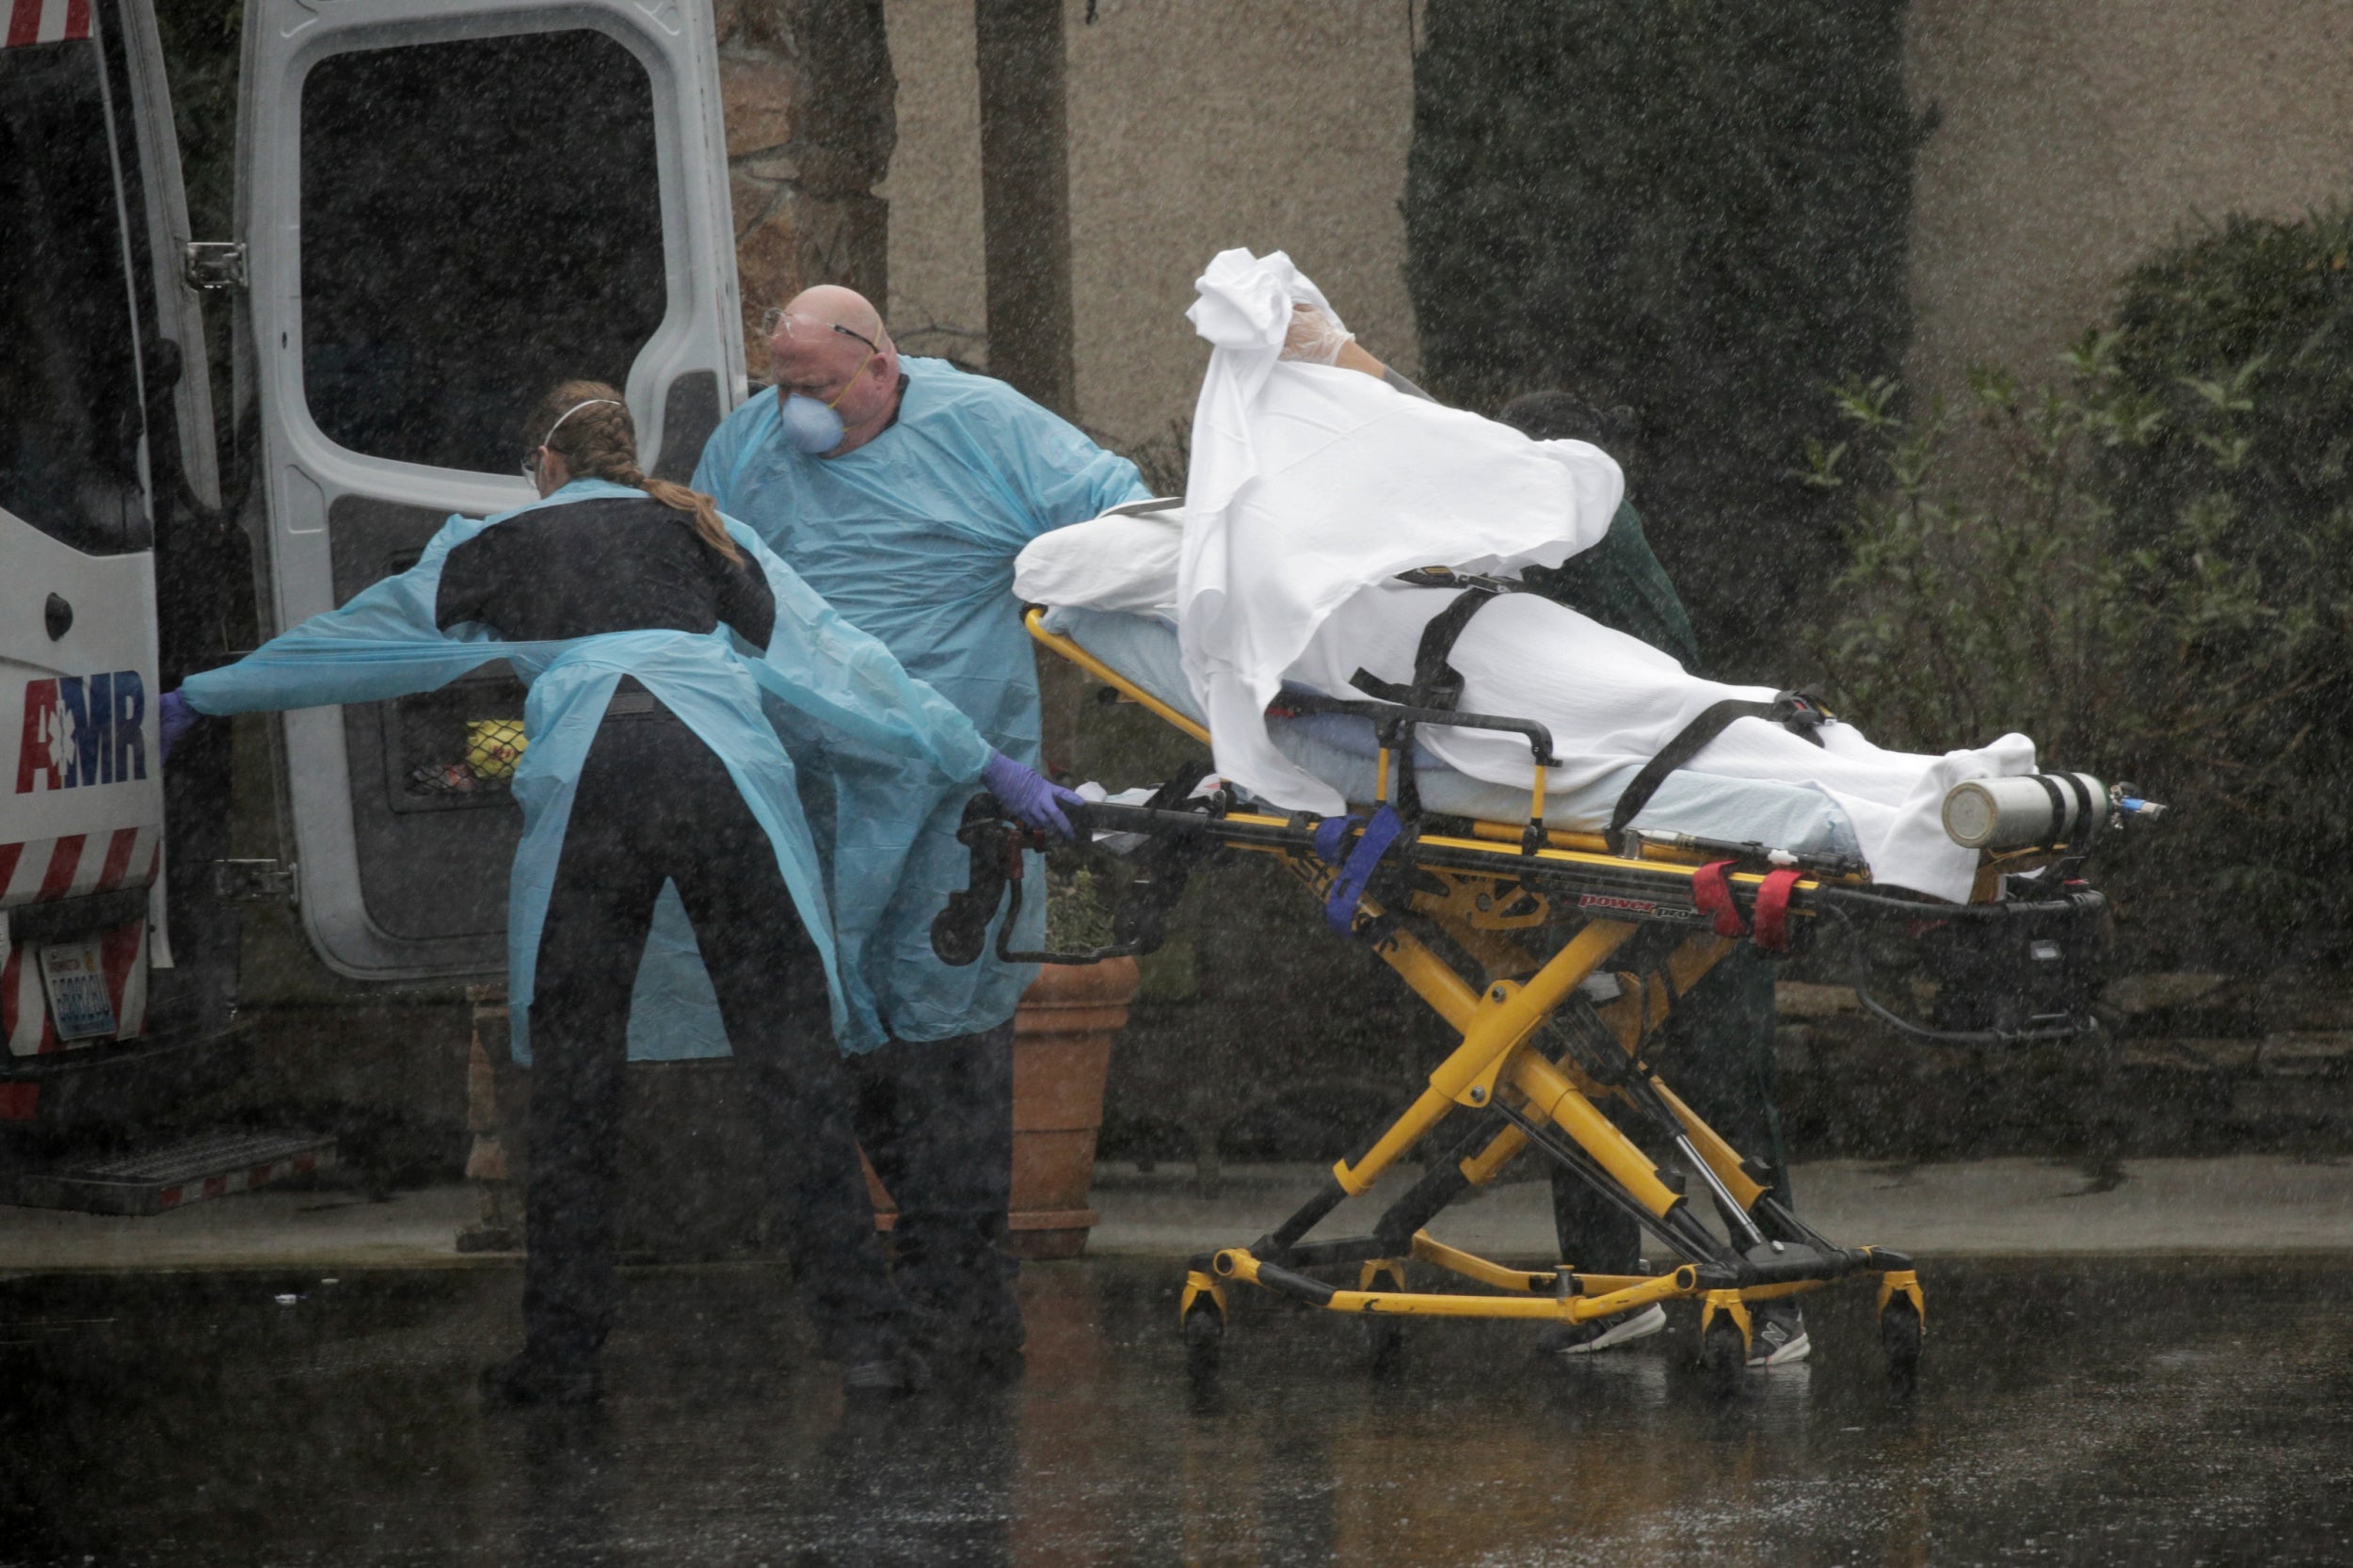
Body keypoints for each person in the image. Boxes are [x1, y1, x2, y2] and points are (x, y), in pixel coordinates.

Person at [160, 383, 1080, 1405]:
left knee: (574, 1086)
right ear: (621, 455)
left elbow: (357, 642)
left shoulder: (502, 542)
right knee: (795, 1076)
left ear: (544, 465)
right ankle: (863, 1343)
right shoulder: (700, 532)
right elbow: (846, 665)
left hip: (599, 783)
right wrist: (986, 759)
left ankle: (561, 1356)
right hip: (723, 781)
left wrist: (207, 693)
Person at [1281, 303, 1810, 1367]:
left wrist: (1348, 363)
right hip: (1664, 827)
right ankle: (1662, 1290)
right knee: (1598, 1052)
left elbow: (1454, 459)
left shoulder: (1574, 513)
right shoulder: (1589, 550)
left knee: (1619, 1055)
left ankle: (1734, 1294)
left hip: (1647, 827)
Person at [695, 286, 1151, 1377]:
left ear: (882, 367)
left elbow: (1120, 514)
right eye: (780, 384)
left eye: (815, 386)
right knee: (830, 1030)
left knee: (947, 1037)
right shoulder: (746, 448)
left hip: (955, 791)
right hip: (810, 789)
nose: (792, 409)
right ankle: (926, 1285)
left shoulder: (983, 427)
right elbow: (703, 571)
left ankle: (963, 1295)